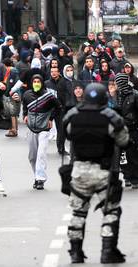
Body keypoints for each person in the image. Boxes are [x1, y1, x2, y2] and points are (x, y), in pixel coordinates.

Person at [63, 83, 129, 264]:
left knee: (78, 212)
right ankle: (107, 251)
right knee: (111, 210)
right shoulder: (110, 118)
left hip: (79, 172)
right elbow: (123, 140)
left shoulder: (73, 116)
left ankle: (75, 253)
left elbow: (67, 134)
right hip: (103, 172)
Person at [22, 74, 60, 190]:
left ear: (42, 83)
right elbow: (24, 106)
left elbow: (58, 107)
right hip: (31, 129)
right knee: (32, 156)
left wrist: (51, 118)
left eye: (38, 81)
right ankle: (36, 176)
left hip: (44, 129)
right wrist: (24, 115)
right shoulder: (27, 95)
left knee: (41, 154)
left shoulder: (48, 96)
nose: (36, 83)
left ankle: (40, 179)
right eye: (35, 81)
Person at [115, 73, 138, 188]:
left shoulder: (134, 95)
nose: (116, 85)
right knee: (122, 156)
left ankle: (135, 178)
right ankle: (126, 176)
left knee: (133, 155)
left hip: (132, 129)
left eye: (118, 82)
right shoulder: (117, 95)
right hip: (119, 130)